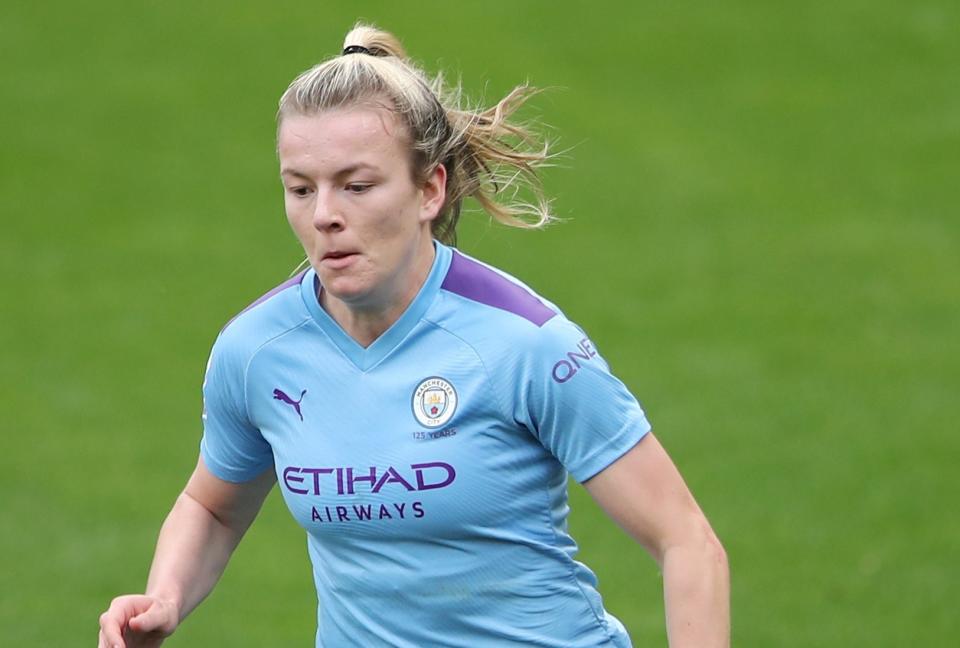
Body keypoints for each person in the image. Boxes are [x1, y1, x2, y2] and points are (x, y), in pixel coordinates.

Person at [98, 23, 729, 648]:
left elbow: (685, 540)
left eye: (357, 186)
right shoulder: (257, 352)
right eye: (299, 188)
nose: (324, 216)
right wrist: (165, 599)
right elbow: (212, 506)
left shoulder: (524, 344)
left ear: (430, 188)